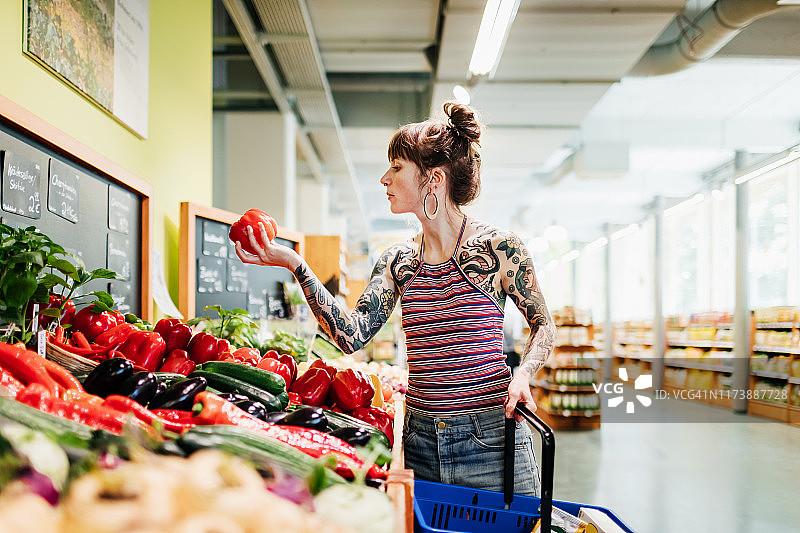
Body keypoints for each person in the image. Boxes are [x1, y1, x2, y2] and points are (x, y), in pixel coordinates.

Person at [234, 102, 556, 496]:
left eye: (397, 167)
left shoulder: (499, 248)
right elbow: (350, 337)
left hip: (491, 439)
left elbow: (543, 324)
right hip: (420, 444)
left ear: (433, 179)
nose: (384, 179)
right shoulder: (398, 261)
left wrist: (523, 373)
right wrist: (295, 264)